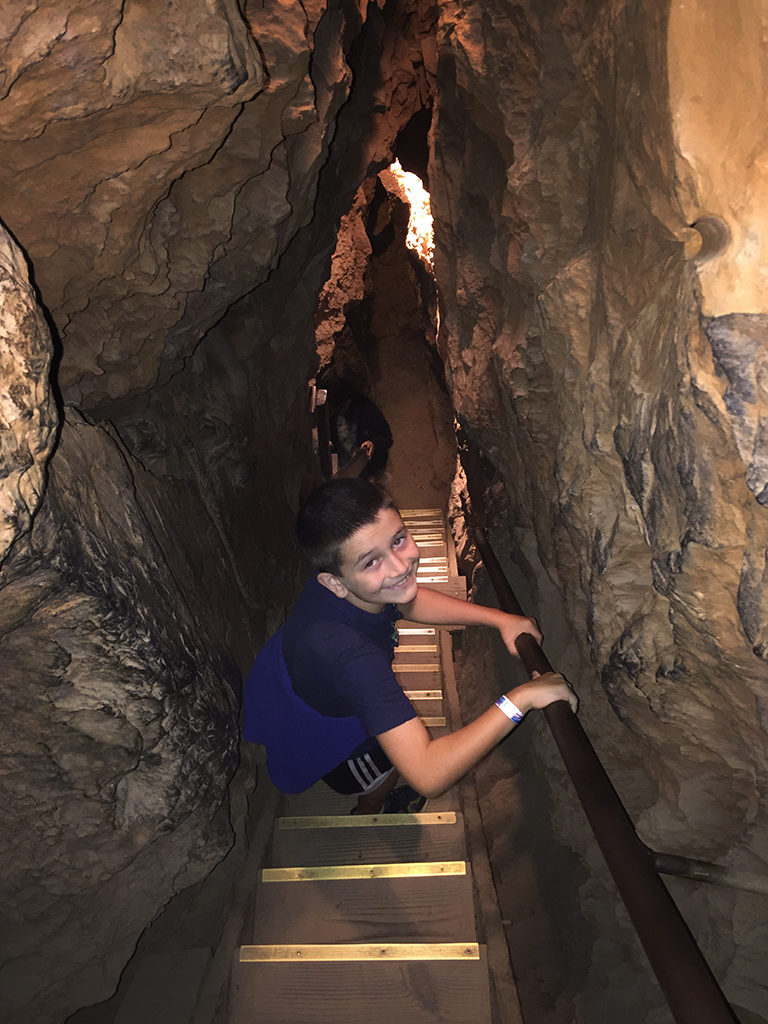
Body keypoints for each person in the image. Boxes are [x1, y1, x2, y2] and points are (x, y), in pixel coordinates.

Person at [243, 477, 577, 814]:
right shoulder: (355, 660)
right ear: (335, 583)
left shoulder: (351, 590)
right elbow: (427, 775)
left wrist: (498, 618)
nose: (400, 566)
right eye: (370, 562)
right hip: (326, 728)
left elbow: (405, 602)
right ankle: (370, 808)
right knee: (389, 768)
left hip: (296, 671)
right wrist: (521, 698)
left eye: (399, 540)